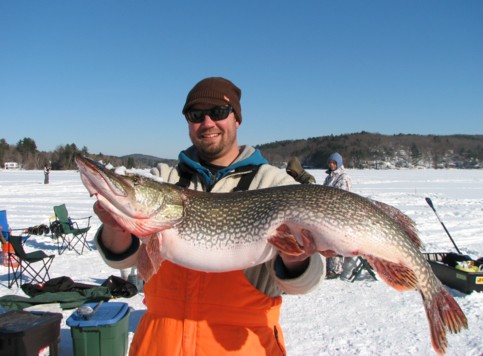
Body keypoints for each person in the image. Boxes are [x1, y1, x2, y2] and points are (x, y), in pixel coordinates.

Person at [93, 77, 325, 355]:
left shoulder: (274, 185)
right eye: (196, 114)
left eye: (218, 112)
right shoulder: (165, 179)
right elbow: (125, 258)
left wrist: (295, 257)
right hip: (160, 343)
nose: (207, 122)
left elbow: (307, 282)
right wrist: (115, 226)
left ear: (236, 119)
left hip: (243, 346)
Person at [322, 152, 356, 280]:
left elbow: (341, 196)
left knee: (335, 241)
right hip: (327, 214)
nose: (331, 165)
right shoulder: (329, 177)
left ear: (339, 164)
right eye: (330, 162)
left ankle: (335, 269)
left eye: (334, 163)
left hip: (339, 215)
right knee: (326, 240)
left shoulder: (344, 177)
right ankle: (327, 268)